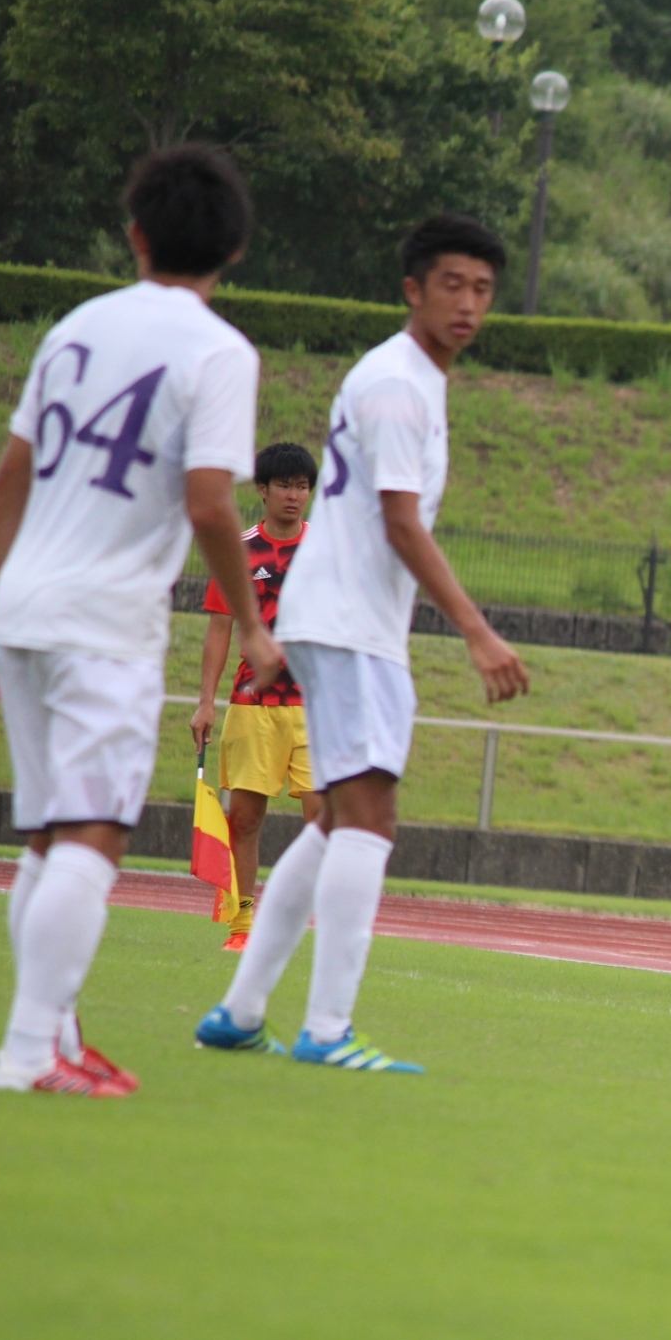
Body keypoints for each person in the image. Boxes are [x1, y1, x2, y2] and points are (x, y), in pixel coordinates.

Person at [195, 213, 530, 1073]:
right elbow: (400, 522)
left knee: (342, 815)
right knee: (369, 816)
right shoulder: (396, 384)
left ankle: (240, 1011)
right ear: (412, 289)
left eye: (482, 288)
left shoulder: (410, 379)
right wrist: (477, 631)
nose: (468, 303)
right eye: (451, 284)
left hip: (348, 621)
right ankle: (327, 1028)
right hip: (349, 625)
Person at [0, 145, 280, 1098]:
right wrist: (254, 626)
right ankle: (29, 1053)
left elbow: (10, 481)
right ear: (234, 249)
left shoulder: (73, 328)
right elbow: (209, 503)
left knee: (48, 835)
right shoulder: (220, 351)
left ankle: (55, 1036)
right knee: (93, 833)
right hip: (103, 618)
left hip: (22, 607)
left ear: (136, 234)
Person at [189, 442, 322, 951]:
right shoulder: (239, 550)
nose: (294, 495)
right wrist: (206, 702)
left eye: (302, 486)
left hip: (316, 708)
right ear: (262, 490)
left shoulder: (327, 549)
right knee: (244, 820)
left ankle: (310, 917)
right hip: (253, 706)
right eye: (284, 485)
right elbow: (219, 630)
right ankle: (242, 925)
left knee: (324, 822)